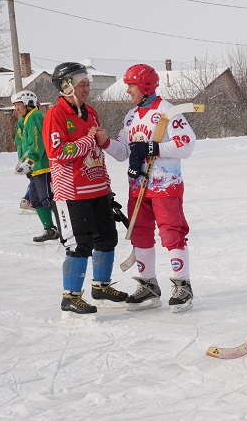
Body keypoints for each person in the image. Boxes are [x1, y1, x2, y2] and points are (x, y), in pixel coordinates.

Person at [43, 62, 129, 319]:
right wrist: (88, 140)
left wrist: (107, 187)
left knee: (107, 239)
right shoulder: (55, 115)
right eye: (82, 84)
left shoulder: (91, 112)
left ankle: (101, 287)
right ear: (66, 86)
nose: (87, 88)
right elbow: (57, 153)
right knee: (79, 244)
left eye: (88, 83)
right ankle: (70, 296)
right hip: (71, 193)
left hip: (97, 189)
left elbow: (97, 153)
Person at [114, 64, 198, 313]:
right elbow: (123, 152)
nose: (128, 90)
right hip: (138, 188)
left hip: (165, 185)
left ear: (145, 86)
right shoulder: (131, 117)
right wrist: (104, 141)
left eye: (131, 85)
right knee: (140, 234)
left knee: (171, 234)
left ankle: (182, 285)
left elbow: (187, 144)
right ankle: (148, 285)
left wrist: (154, 148)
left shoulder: (166, 111)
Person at [12, 89, 58, 242]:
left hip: (42, 166)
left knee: (47, 198)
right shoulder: (24, 119)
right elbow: (22, 142)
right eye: (15, 105)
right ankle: (50, 229)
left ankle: (67, 227)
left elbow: (37, 141)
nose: (16, 108)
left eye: (19, 104)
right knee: (35, 199)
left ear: (28, 103)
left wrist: (30, 160)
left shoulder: (35, 116)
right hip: (33, 167)